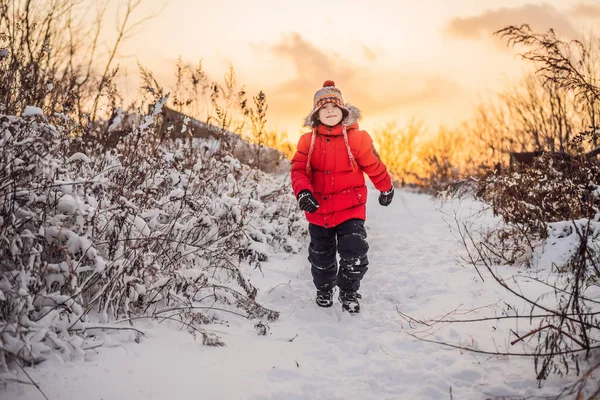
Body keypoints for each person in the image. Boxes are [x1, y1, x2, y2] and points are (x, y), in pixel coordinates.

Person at [290, 80, 394, 314]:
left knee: (355, 251)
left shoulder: (358, 139)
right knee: (321, 256)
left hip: (351, 208)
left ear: (344, 112)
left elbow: (374, 165)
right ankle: (324, 289)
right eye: (323, 108)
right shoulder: (308, 141)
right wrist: (303, 192)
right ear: (316, 115)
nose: (329, 111)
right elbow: (298, 171)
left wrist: (385, 187)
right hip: (319, 210)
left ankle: (348, 291)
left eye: (334, 108)